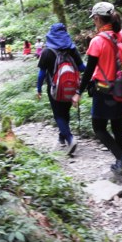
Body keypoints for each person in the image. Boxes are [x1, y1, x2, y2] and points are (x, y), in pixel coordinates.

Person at [71, 2, 122, 176]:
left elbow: (88, 71)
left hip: (105, 91)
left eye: (94, 19)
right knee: (118, 126)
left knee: (98, 127)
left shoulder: (97, 41)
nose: (94, 22)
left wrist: (78, 93)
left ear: (98, 18)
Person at [37, 23, 86, 156]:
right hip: (71, 87)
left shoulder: (47, 51)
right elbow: (82, 68)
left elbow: (42, 73)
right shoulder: (72, 49)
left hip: (54, 88)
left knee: (58, 114)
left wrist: (39, 88)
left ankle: (69, 138)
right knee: (65, 112)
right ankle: (62, 136)